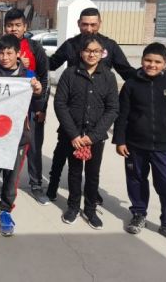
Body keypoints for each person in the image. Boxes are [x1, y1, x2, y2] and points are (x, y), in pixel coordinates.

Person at [46, 7, 135, 203]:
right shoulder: (70, 45)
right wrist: (28, 59)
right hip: (72, 111)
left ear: (100, 24)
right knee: (62, 152)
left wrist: (148, 76)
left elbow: (126, 70)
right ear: (78, 24)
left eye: (93, 24)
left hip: (96, 111)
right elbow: (50, 64)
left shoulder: (109, 46)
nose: (89, 28)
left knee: (93, 163)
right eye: (85, 24)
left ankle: (91, 192)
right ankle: (52, 185)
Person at [113, 42, 166, 246]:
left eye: (157, 62)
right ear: (141, 61)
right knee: (136, 180)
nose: (152, 65)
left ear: (165, 63)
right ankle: (139, 214)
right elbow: (122, 115)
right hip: (135, 146)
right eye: (148, 60)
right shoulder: (131, 84)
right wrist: (120, 140)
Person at [0, 34, 42, 236]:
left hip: (19, 136)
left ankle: (5, 211)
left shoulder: (28, 76)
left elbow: (37, 105)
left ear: (18, 54)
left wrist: (38, 91)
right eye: (1, 53)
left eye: (9, 53)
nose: (4, 57)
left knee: (11, 178)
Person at [55, 35, 119, 229]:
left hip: (95, 137)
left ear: (102, 54)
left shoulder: (108, 76)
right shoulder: (70, 74)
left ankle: (90, 209)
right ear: (81, 53)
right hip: (73, 135)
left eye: (96, 51)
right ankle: (73, 206)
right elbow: (60, 104)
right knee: (74, 172)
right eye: (88, 51)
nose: (92, 54)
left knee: (93, 174)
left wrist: (93, 136)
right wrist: (74, 135)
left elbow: (112, 108)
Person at [0, 8, 50, 205]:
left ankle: (36, 185)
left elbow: (44, 78)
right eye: (10, 25)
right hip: (6, 110)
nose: (13, 29)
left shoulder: (35, 48)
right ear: (5, 27)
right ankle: (4, 187)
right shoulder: (0, 48)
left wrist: (41, 107)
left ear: (25, 27)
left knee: (34, 147)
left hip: (30, 108)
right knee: (6, 147)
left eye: (17, 25)